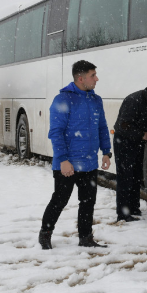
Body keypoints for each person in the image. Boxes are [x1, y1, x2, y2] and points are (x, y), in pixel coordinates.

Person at [38, 60, 112, 250]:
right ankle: (45, 234)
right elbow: (56, 132)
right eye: (92, 75)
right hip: (68, 163)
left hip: (89, 163)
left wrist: (106, 152)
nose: (97, 79)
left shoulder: (96, 100)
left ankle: (85, 237)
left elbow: (102, 127)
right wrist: (63, 160)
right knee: (60, 200)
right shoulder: (63, 100)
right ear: (81, 78)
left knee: (88, 201)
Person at [112, 86, 147, 222]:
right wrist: (141, 134)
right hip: (124, 142)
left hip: (137, 143)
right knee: (125, 177)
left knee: (135, 176)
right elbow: (123, 125)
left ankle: (134, 207)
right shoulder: (134, 101)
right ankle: (122, 213)